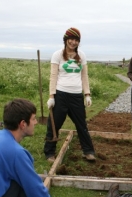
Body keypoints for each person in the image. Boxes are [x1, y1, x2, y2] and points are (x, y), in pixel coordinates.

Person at [44, 27, 96, 162]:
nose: (73, 42)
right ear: (66, 40)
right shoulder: (58, 55)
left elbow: (84, 76)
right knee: (54, 124)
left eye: (76, 40)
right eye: (71, 39)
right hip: (61, 95)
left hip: (76, 96)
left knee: (81, 124)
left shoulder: (82, 56)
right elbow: (53, 76)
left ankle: (88, 151)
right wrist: (51, 96)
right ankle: (49, 153)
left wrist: (87, 94)